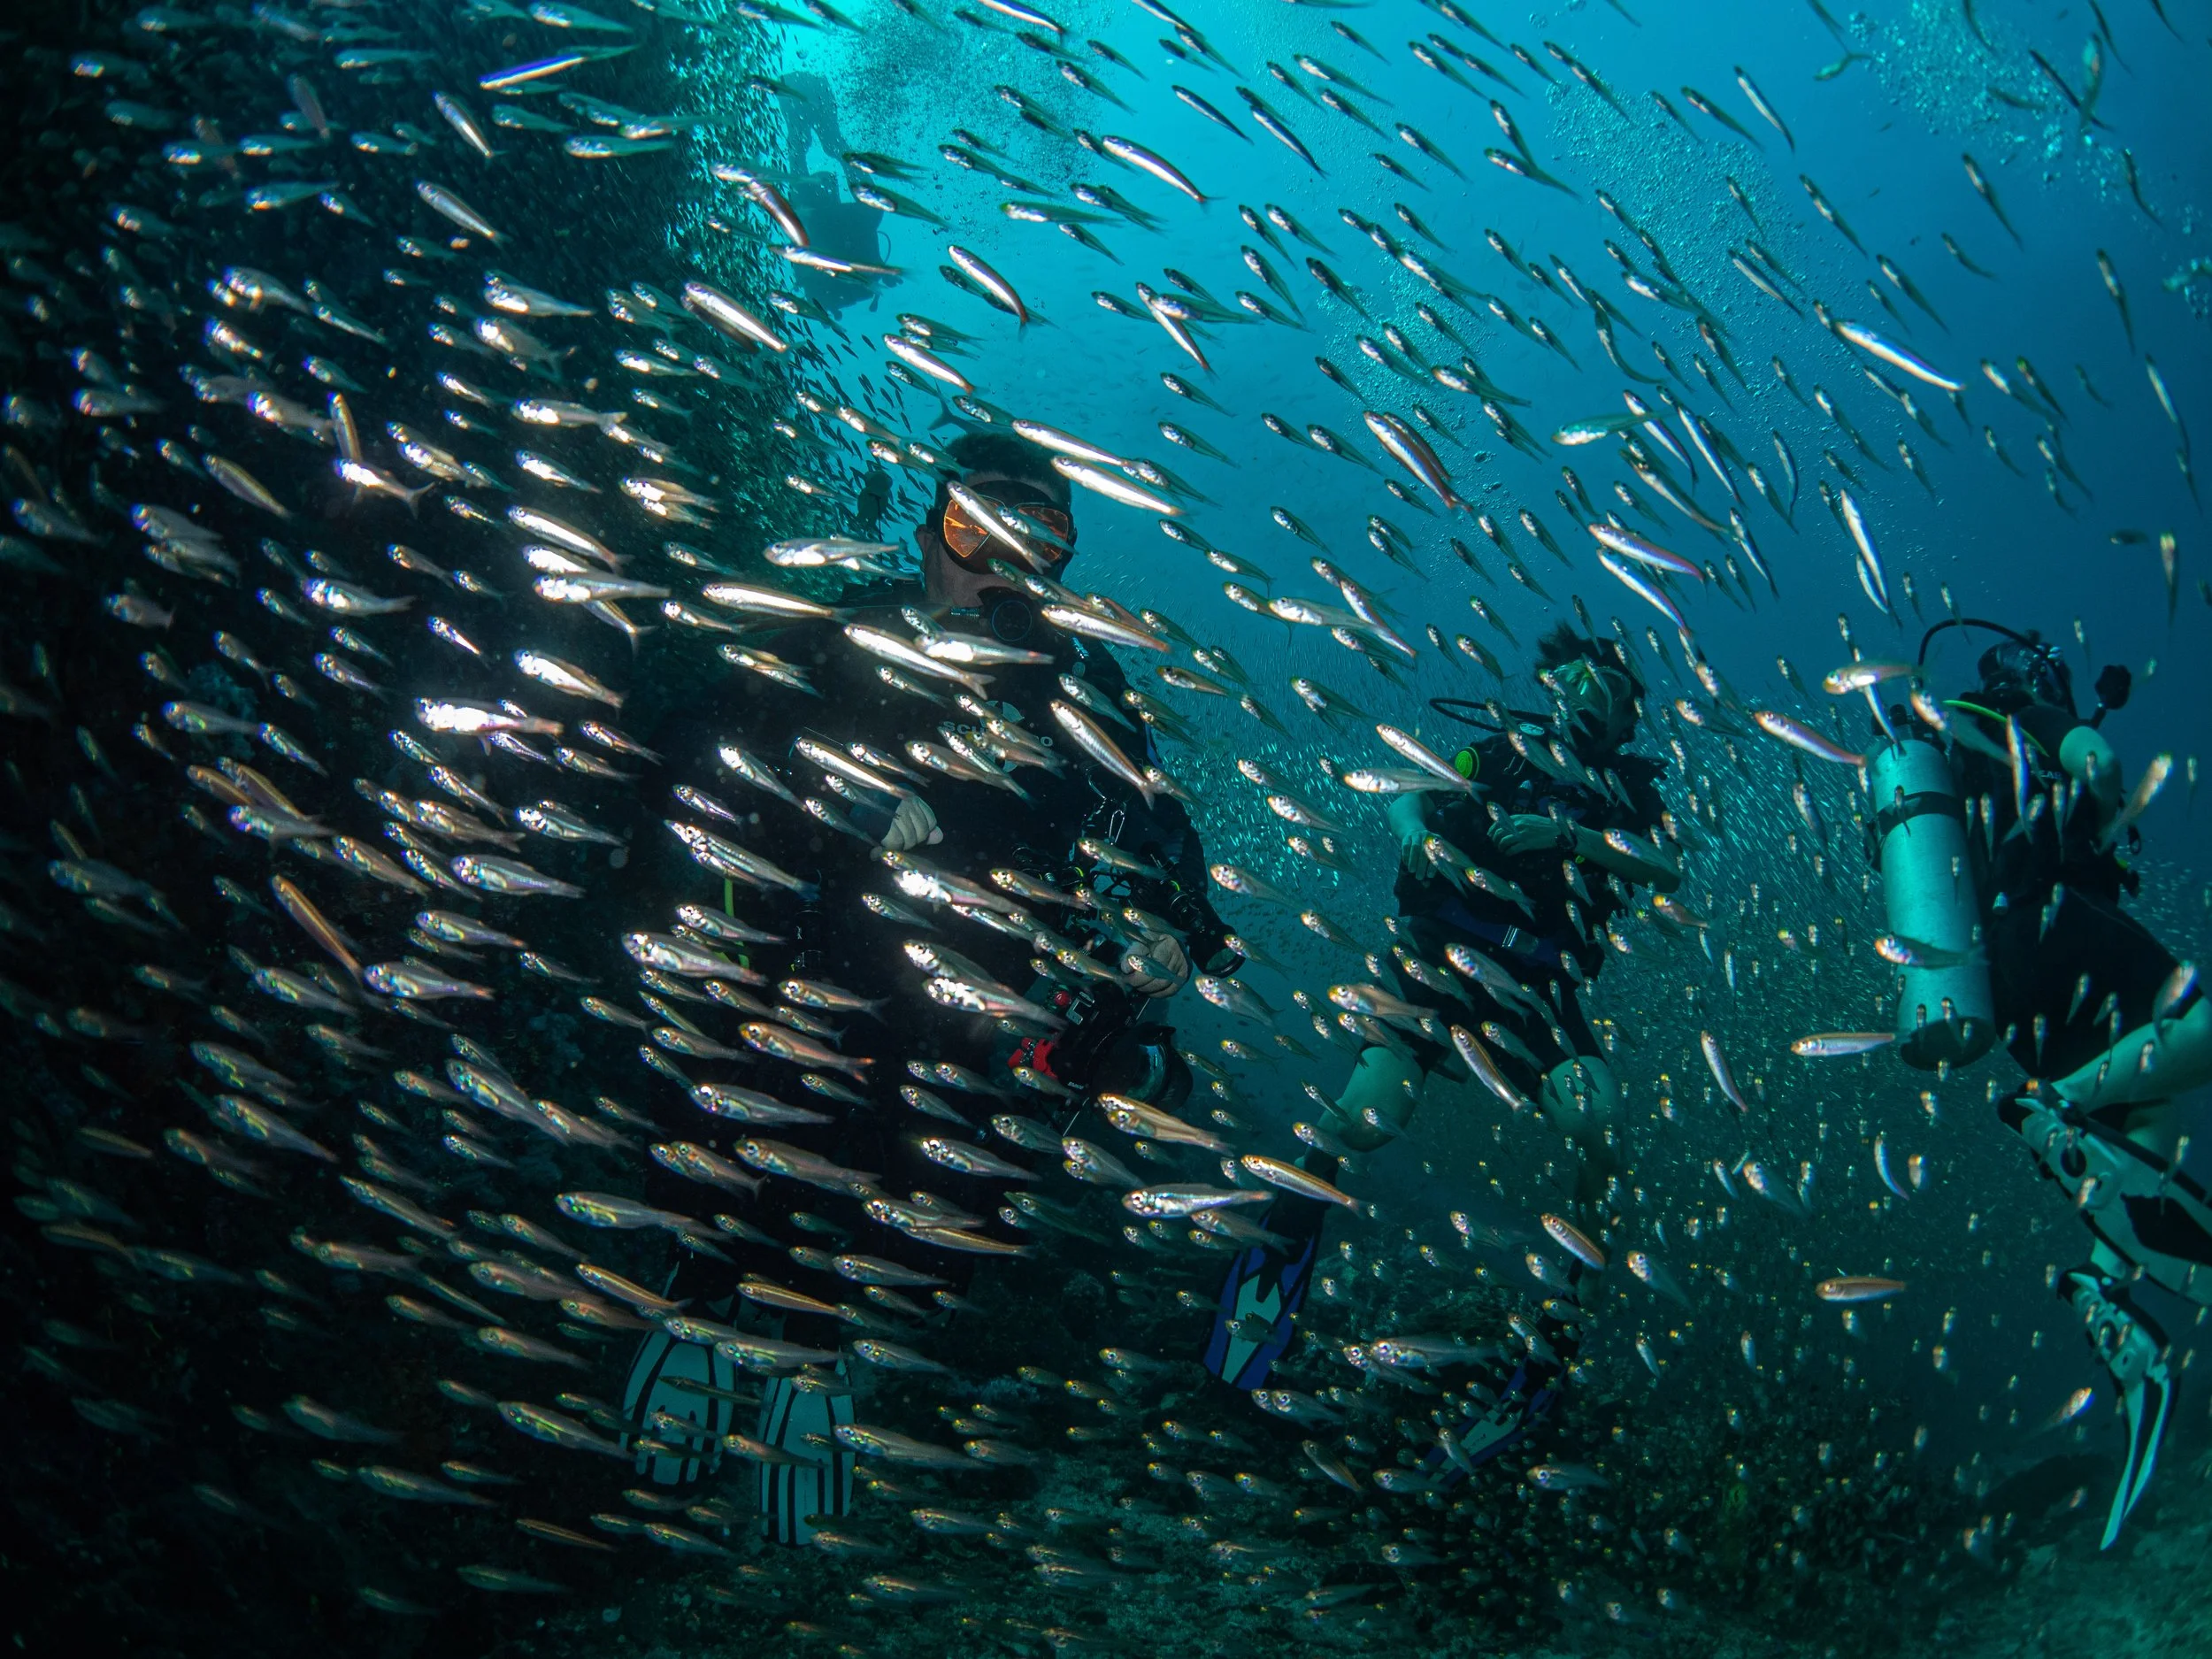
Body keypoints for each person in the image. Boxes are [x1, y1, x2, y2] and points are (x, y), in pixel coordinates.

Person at [618, 432, 1240, 1541]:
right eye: (978, 523)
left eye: (1038, 533)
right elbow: (682, 752)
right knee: (731, 1100)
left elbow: (1157, 836)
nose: (1003, 556)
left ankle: (820, 1347)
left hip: (968, 1011)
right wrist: (812, 812)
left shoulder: (1081, 685)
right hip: (793, 966)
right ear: (930, 524)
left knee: (957, 1169)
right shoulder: (833, 636)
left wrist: (1175, 933)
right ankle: (703, 1297)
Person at [1205, 626, 1680, 1399]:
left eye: (1614, 696)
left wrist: (1570, 835)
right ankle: (1270, 1265)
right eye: (1583, 685)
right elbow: (1412, 789)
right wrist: (1418, 833)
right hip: (1437, 963)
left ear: (1631, 719)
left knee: (1601, 1124)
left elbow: (1667, 865)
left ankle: (1568, 1309)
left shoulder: (1630, 792)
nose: (1593, 705)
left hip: (1536, 989)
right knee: (1360, 1120)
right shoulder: (1499, 752)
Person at [1908, 620, 2210, 1546]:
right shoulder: (2014, 710)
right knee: (2195, 1022)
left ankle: (2107, 1299)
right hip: (2051, 926)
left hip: (2010, 981)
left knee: (2143, 1118)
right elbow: (2098, 760)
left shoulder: (1958, 758)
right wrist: (2092, 768)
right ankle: (2057, 1108)